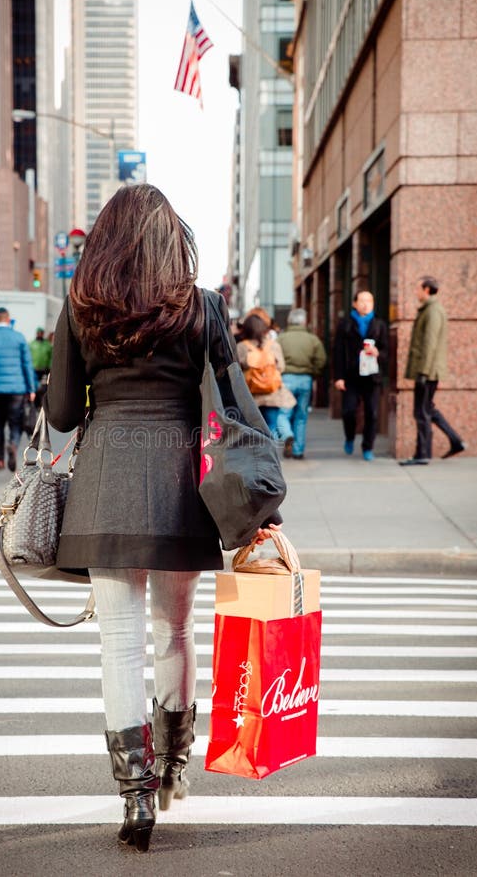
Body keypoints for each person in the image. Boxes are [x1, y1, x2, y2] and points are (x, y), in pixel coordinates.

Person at [44, 184, 282, 853]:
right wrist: (265, 503)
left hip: (106, 488)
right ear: (171, 238)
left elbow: (62, 414)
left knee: (119, 643)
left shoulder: (81, 306)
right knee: (174, 630)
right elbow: (237, 410)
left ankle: (135, 796)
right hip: (183, 485)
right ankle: (174, 768)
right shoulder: (202, 308)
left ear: (105, 241)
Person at [400, 277, 466, 465]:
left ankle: (422, 454)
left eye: (417, 288)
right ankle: (456, 440)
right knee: (427, 409)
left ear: (427, 289)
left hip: (428, 372)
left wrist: (423, 372)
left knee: (421, 412)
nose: (416, 292)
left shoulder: (433, 311)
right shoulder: (429, 310)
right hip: (428, 370)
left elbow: (430, 344)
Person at [0, 307, 37, 471]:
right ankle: (13, 445)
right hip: (17, 388)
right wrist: (31, 388)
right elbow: (27, 364)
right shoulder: (19, 338)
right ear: (8, 319)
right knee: (15, 422)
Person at [333, 290, 388, 461]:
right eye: (362, 301)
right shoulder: (345, 324)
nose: (366, 304)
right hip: (351, 376)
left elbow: (388, 352)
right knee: (349, 411)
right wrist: (339, 377)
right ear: (354, 304)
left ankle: (367, 447)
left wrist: (378, 352)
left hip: (372, 376)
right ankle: (349, 437)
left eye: (369, 301)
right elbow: (338, 352)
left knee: (372, 413)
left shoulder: (379, 324)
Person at [236, 313, 295, 446]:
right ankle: (270, 457)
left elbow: (236, 371)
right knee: (271, 426)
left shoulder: (241, 346)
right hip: (271, 394)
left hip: (250, 395)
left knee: (251, 427)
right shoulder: (273, 345)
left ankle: (255, 456)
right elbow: (281, 367)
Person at [277, 308, 327, 459]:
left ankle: (287, 434)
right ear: (304, 321)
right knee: (301, 415)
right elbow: (321, 360)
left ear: (289, 321)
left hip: (286, 379)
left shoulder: (281, 339)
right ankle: (298, 450)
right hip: (305, 379)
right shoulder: (313, 339)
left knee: (284, 413)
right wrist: (314, 372)